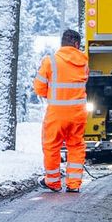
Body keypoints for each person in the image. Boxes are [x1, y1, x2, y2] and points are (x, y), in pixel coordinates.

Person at [33, 29, 89, 192]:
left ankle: (53, 182)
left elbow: (39, 88)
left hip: (56, 113)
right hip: (78, 113)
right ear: (76, 44)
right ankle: (74, 184)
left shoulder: (50, 61)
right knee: (76, 146)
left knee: (52, 146)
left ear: (62, 43)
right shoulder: (84, 63)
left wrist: (52, 95)